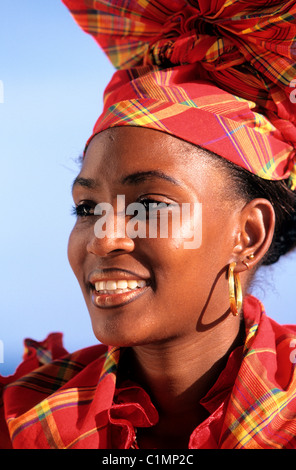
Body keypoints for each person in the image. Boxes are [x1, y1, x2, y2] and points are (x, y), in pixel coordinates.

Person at [1, 0, 296, 449]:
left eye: (150, 205)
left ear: (249, 234)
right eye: (87, 208)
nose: (103, 240)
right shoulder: (22, 420)